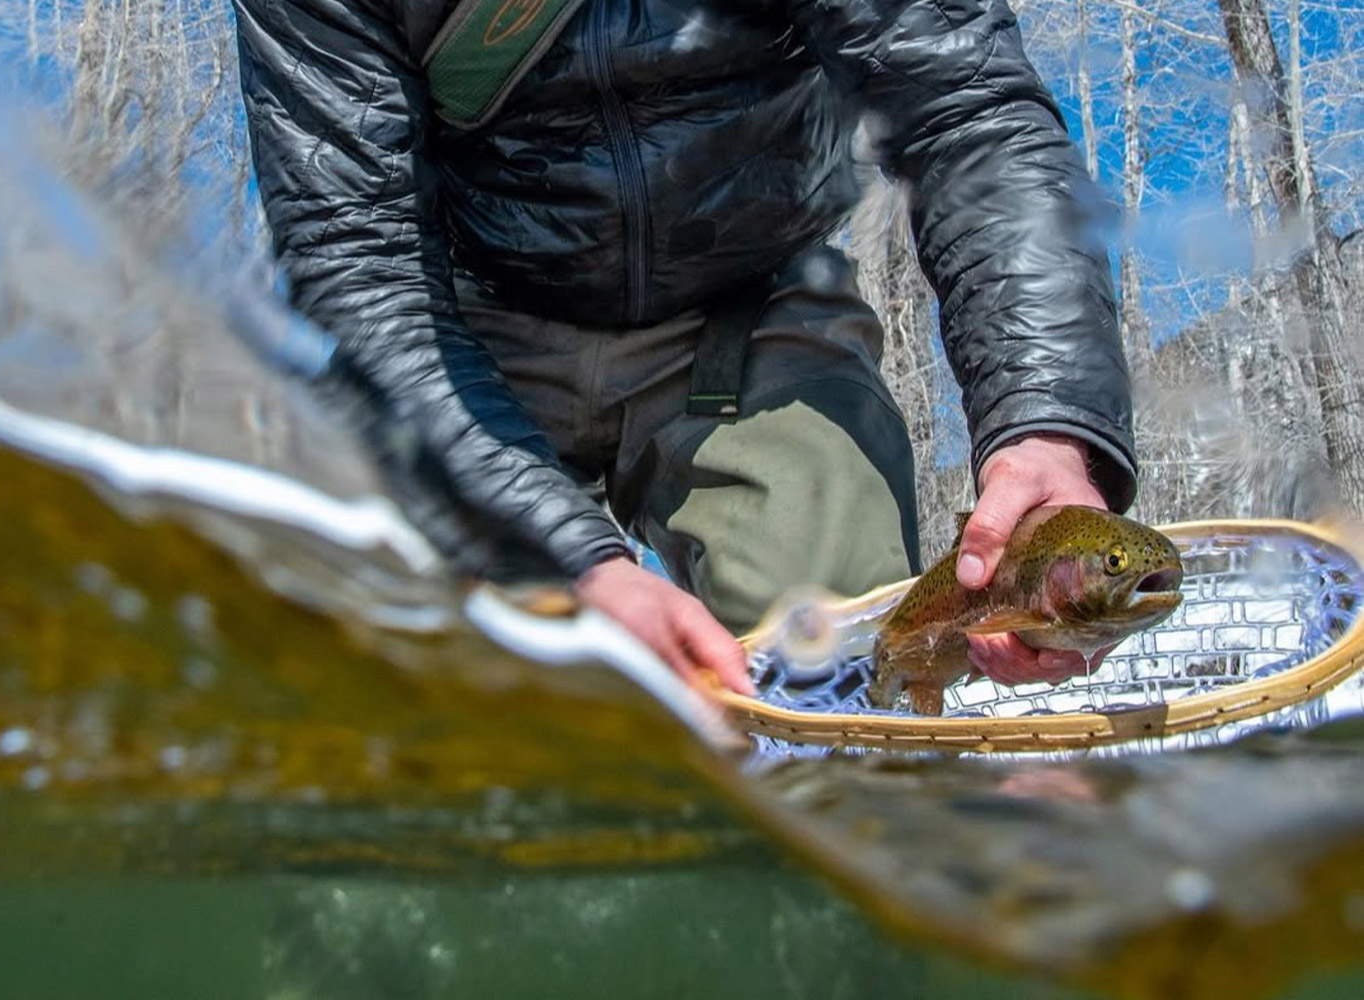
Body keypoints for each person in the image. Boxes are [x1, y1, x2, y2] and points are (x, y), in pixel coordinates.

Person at [231, 0, 1136, 697]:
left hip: (751, 300)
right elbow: (356, 262)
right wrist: (567, 558)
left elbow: (967, 113)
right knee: (420, 692)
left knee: (852, 675)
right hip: (462, 339)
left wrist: (1044, 422)